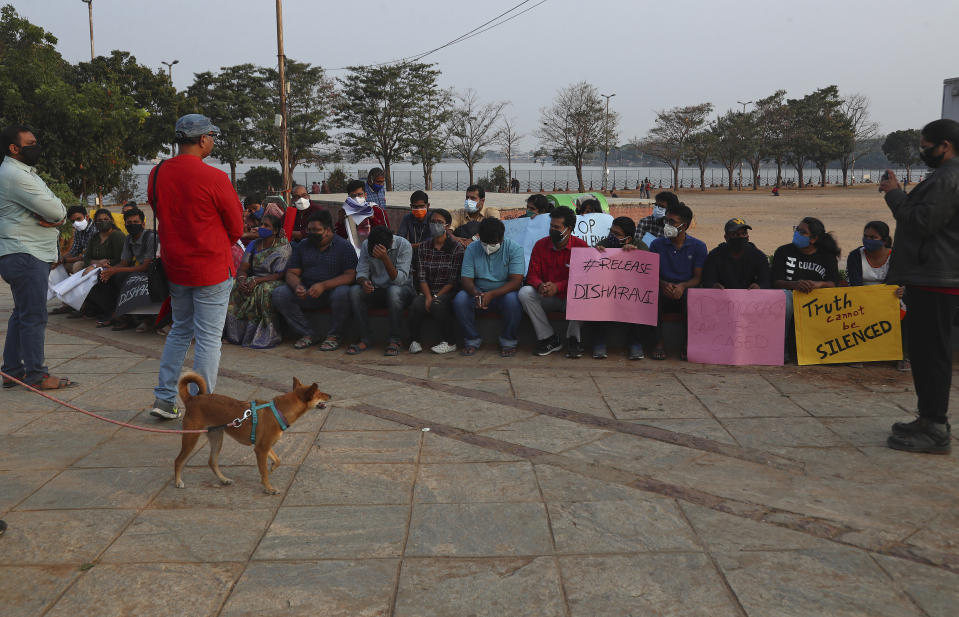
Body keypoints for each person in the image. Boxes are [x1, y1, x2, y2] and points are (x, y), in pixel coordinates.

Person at [148, 114, 243, 420]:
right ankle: (202, 407)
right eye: (212, 137)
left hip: (177, 266)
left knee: (179, 331)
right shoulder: (215, 178)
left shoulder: (158, 172)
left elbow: (159, 208)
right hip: (212, 267)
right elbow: (237, 228)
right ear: (203, 139)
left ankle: (164, 399)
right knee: (208, 339)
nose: (212, 141)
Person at [879, 118, 959, 454]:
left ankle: (936, 428)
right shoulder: (944, 177)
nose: (923, 152)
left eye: (926, 147)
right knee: (924, 354)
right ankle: (928, 418)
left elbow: (922, 222)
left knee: (933, 355)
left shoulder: (947, 178)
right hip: (931, 275)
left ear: (945, 146)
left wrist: (895, 195)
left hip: (936, 278)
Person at [0, 124, 75, 390]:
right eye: (30, 144)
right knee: (33, 316)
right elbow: (55, 212)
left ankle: (11, 371)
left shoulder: (22, 172)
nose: (36, 146)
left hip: (22, 253)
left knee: (22, 314)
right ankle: (36, 374)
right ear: (14, 148)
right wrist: (58, 216)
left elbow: (56, 208)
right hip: (25, 253)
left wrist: (58, 213)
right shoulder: (14, 175)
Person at [272, 210, 357, 351]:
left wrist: (323, 285)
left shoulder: (344, 246)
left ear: (328, 230)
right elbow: (292, 273)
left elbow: (350, 275)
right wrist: (297, 286)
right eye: (309, 229)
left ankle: (334, 336)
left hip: (332, 291)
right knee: (280, 293)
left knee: (343, 292)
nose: (311, 233)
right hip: (307, 291)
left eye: (316, 230)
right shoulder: (303, 245)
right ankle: (308, 333)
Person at [518, 206, 588, 358]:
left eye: (557, 227)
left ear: (568, 229)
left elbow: (584, 280)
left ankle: (574, 340)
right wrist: (540, 285)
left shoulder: (582, 247)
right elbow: (532, 275)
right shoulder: (540, 245)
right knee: (525, 293)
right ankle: (549, 338)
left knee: (585, 294)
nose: (552, 230)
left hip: (571, 298)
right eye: (551, 226)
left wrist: (559, 286)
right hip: (547, 296)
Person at [771, 216, 841, 362]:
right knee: (786, 298)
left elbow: (834, 283)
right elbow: (776, 281)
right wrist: (795, 285)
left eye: (802, 232)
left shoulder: (826, 257)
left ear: (814, 239)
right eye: (796, 229)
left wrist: (819, 284)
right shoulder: (783, 252)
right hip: (790, 296)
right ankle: (780, 351)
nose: (797, 233)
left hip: (816, 299)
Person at [453, 217, 524, 357]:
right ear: (479, 237)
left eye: (494, 243)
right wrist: (475, 293)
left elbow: (516, 281)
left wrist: (492, 294)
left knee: (513, 301)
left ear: (502, 237)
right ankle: (472, 339)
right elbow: (466, 279)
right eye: (485, 243)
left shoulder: (514, 248)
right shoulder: (473, 248)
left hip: (504, 292)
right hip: (477, 291)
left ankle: (508, 341)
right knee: (460, 300)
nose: (489, 247)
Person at [845, 220, 909, 372]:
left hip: (890, 300)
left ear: (885, 240)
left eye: (873, 237)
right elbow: (855, 283)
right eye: (865, 236)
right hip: (861, 299)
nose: (868, 240)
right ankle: (859, 353)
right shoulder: (855, 255)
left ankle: (903, 355)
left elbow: (897, 281)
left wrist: (902, 290)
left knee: (906, 312)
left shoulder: (896, 256)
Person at [648, 202, 706, 360]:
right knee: (653, 298)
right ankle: (658, 343)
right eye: (666, 221)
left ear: (684, 225)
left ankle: (688, 344)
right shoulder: (656, 244)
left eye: (672, 222)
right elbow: (651, 273)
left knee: (693, 300)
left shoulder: (698, 246)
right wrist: (663, 284)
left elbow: (697, 278)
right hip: (663, 287)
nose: (667, 225)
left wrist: (682, 286)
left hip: (685, 290)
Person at [224, 213, 291, 349]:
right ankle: (235, 334)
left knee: (263, 290)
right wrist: (242, 279)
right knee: (236, 286)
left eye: (266, 226)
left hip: (273, 280)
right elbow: (243, 268)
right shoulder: (254, 244)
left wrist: (257, 281)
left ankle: (266, 335)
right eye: (261, 224)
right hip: (255, 278)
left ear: (276, 230)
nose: (262, 227)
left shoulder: (283, 247)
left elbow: (279, 274)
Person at [84, 207, 157, 331]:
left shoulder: (150, 237)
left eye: (136, 222)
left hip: (153, 272)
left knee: (121, 277)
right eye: (129, 223)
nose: (132, 225)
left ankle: (126, 316)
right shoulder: (129, 238)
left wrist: (116, 270)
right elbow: (124, 262)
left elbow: (145, 266)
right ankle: (113, 312)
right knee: (103, 277)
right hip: (138, 270)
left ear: (143, 223)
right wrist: (109, 270)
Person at [347, 225, 414, 356]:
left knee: (394, 291)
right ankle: (365, 338)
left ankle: (395, 340)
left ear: (389, 244)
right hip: (377, 289)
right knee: (355, 291)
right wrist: (364, 282)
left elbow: (400, 280)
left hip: (403, 290)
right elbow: (361, 271)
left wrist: (385, 259)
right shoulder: (367, 244)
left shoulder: (403, 245)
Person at [591, 216, 649, 360]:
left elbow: (647, 277)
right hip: (608, 290)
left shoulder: (641, 246)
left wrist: (636, 256)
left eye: (616, 234)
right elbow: (592, 271)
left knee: (636, 301)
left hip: (630, 292)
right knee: (598, 297)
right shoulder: (604, 244)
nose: (612, 236)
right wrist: (596, 254)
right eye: (611, 231)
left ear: (628, 239)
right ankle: (599, 341)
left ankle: (635, 342)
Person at [409, 208, 464, 354]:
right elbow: (421, 276)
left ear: (447, 226)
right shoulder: (424, 247)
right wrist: (427, 296)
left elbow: (452, 280)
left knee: (437, 304)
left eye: (439, 222)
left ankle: (450, 342)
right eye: (432, 222)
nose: (435, 225)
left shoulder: (456, 248)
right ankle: (415, 341)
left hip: (447, 291)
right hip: (428, 289)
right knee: (416, 304)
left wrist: (435, 297)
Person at [49, 205, 98, 316]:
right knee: (60, 267)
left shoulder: (95, 229)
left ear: (87, 216)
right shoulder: (78, 231)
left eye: (78, 219)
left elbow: (86, 256)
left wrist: (66, 259)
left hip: (97, 262)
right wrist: (60, 260)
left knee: (77, 266)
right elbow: (74, 250)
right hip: (86, 261)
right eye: (73, 221)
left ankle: (82, 306)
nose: (76, 223)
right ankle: (67, 304)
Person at [80, 208, 126, 324]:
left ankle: (110, 312)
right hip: (97, 267)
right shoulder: (95, 237)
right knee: (83, 275)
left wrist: (99, 265)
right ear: (95, 222)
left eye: (106, 219)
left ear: (111, 220)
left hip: (115, 267)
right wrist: (97, 264)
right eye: (99, 220)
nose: (103, 222)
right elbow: (86, 258)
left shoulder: (117, 235)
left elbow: (119, 259)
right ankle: (93, 308)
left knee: (100, 277)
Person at [701, 218, 771, 290]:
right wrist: (714, 286)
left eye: (744, 234)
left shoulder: (759, 256)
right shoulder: (715, 255)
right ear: (726, 237)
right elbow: (707, 281)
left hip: (751, 298)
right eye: (736, 234)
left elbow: (766, 281)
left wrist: (759, 286)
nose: (740, 237)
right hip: (722, 298)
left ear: (748, 236)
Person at [335, 179, 389, 253]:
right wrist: (341, 221)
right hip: (353, 253)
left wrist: (372, 218)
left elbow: (386, 235)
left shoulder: (377, 210)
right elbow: (341, 237)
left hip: (375, 252)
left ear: (365, 195)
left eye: (360, 194)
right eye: (353, 196)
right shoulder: (347, 212)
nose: (357, 198)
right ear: (349, 198)